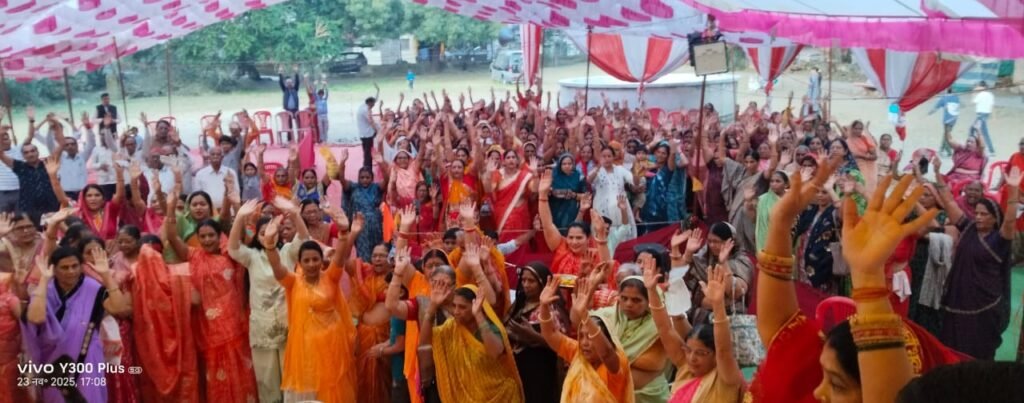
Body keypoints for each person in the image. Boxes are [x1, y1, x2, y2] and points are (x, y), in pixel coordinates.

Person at [163, 192, 258, 402]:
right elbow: (172, 237)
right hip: (208, 328)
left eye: (211, 235)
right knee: (216, 375)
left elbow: (244, 237)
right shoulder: (193, 255)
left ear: (219, 236)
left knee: (241, 369)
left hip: (234, 324)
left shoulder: (230, 254)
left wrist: (238, 210)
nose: (207, 240)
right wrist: (170, 207)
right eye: (203, 236)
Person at [263, 215, 358, 403]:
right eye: (306, 260)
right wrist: (269, 244)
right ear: (299, 263)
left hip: (332, 346)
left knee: (333, 391)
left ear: (322, 260)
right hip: (304, 350)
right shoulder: (293, 282)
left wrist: (343, 232)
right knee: (309, 392)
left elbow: (340, 257)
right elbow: (277, 267)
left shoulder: (330, 277)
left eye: (315, 259)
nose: (312, 264)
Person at [228, 198, 311, 403]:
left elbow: (304, 238)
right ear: (257, 236)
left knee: (291, 379)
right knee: (266, 381)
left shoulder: (288, 252)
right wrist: (239, 217)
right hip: (262, 327)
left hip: (288, 323)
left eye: (271, 231)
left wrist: (295, 213)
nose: (267, 235)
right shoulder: (252, 257)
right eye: (263, 232)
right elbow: (233, 248)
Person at [21, 246, 128, 403]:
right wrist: (43, 280)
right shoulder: (45, 291)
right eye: (64, 267)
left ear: (81, 267)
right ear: (54, 269)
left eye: (75, 266)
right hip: (53, 363)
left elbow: (119, 309)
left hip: (87, 358)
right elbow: (36, 318)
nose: (71, 271)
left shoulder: (93, 288)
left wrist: (106, 275)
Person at [935, 165, 1019, 359]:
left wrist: (1013, 190)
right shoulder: (968, 228)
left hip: (985, 303)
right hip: (959, 297)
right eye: (977, 213)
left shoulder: (999, 240)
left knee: (979, 347)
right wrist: (938, 174)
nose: (978, 217)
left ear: (994, 218)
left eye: (984, 214)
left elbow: (1010, 221)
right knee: (952, 344)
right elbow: (949, 202)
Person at [642, 257, 744, 402]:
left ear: (715, 356)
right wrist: (652, 291)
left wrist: (718, 305)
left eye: (701, 353)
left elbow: (724, 350)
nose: (692, 358)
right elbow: (665, 329)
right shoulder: (685, 367)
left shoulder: (726, 378)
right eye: (688, 350)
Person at [419, 275, 525, 403]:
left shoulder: (490, 328)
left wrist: (478, 315)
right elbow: (425, 341)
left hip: (501, 396)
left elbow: (495, 352)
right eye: (454, 306)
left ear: (477, 306)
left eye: (462, 307)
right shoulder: (452, 327)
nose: (456, 311)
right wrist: (432, 306)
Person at [538, 276, 633, 402]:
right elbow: (550, 334)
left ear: (607, 339)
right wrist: (544, 306)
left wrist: (584, 315)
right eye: (581, 336)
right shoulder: (578, 354)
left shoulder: (616, 364)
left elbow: (606, 353)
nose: (584, 343)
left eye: (590, 337)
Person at [505, 262, 567, 403]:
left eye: (531, 281)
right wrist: (514, 334)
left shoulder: (551, 308)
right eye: (523, 280)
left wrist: (532, 336)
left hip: (541, 368)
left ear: (542, 283)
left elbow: (562, 343)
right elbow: (507, 325)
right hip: (518, 367)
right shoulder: (520, 303)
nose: (526, 285)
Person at [484, 149, 535, 243]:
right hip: (502, 215)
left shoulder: (525, 176)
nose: (511, 159)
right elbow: (488, 190)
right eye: (508, 157)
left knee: (521, 243)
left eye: (513, 157)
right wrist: (488, 173)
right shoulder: (498, 174)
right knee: (504, 242)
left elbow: (534, 189)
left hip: (520, 217)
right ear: (503, 161)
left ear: (517, 161)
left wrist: (535, 173)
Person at [548, 153, 586, 233]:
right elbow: (546, 192)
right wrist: (554, 192)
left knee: (570, 231)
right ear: (560, 165)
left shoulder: (579, 176)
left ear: (573, 164)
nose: (567, 166)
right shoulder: (553, 176)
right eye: (564, 164)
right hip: (555, 210)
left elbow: (586, 196)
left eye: (569, 164)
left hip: (571, 211)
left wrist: (574, 195)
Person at [929, 88, 960, 156]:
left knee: (946, 136)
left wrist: (929, 113)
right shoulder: (956, 97)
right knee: (946, 134)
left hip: (947, 120)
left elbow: (935, 108)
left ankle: (949, 152)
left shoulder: (944, 98)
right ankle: (941, 149)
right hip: (954, 119)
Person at [0, 129, 20, 213]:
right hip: (3, 192)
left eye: (6, 138)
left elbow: (30, 136)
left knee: (22, 217)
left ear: (10, 140)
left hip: (20, 190)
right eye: (2, 139)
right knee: (4, 217)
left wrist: (31, 122)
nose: (4, 141)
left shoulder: (18, 149)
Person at [972, 81, 995, 155]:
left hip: (980, 115)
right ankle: (979, 147)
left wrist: (974, 92)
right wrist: (993, 117)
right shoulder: (990, 95)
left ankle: (991, 150)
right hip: (986, 114)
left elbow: (973, 102)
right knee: (978, 130)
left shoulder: (980, 94)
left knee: (983, 132)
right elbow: (992, 106)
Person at [359, 92, 381, 167]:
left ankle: (367, 167)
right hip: (367, 135)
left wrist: (378, 91)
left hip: (363, 134)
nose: (373, 106)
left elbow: (375, 100)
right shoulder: (365, 110)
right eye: (373, 104)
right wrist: (377, 131)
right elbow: (371, 121)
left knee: (366, 153)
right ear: (370, 103)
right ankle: (367, 168)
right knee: (368, 154)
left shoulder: (363, 105)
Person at [279, 65, 301, 135]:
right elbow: (281, 83)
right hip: (288, 110)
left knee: (299, 125)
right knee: (289, 126)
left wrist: (296, 72)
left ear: (292, 83)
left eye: (290, 82)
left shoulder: (295, 89)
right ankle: (290, 138)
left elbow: (297, 82)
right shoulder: (285, 90)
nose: (289, 84)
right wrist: (280, 73)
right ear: (286, 84)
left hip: (295, 109)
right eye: (288, 83)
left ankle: (300, 137)